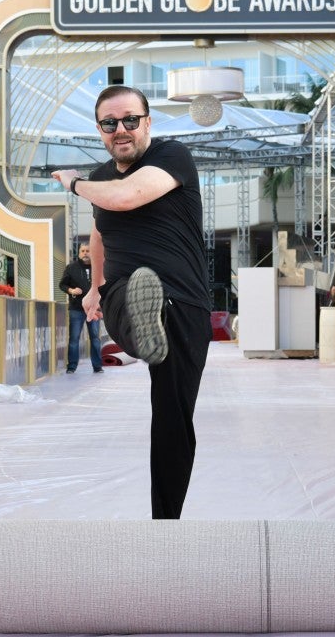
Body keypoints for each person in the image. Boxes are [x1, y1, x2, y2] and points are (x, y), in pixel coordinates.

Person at [52, 85, 213, 520]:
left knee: (172, 418)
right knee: (127, 296)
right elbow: (101, 231)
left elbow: (126, 197)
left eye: (129, 120)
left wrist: (75, 183)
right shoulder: (103, 176)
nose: (120, 130)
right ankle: (144, 328)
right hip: (125, 289)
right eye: (109, 123)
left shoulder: (171, 156)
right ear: (100, 130)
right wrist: (93, 287)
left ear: (147, 122)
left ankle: (166, 521)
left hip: (185, 303)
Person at [59, 242, 104, 374]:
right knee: (74, 338)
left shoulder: (98, 268)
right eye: (83, 251)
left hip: (93, 309)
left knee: (95, 337)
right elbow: (62, 285)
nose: (85, 253)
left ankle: (97, 366)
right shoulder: (71, 268)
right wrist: (72, 290)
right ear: (79, 253)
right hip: (76, 309)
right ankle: (71, 367)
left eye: (87, 251)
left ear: (92, 252)